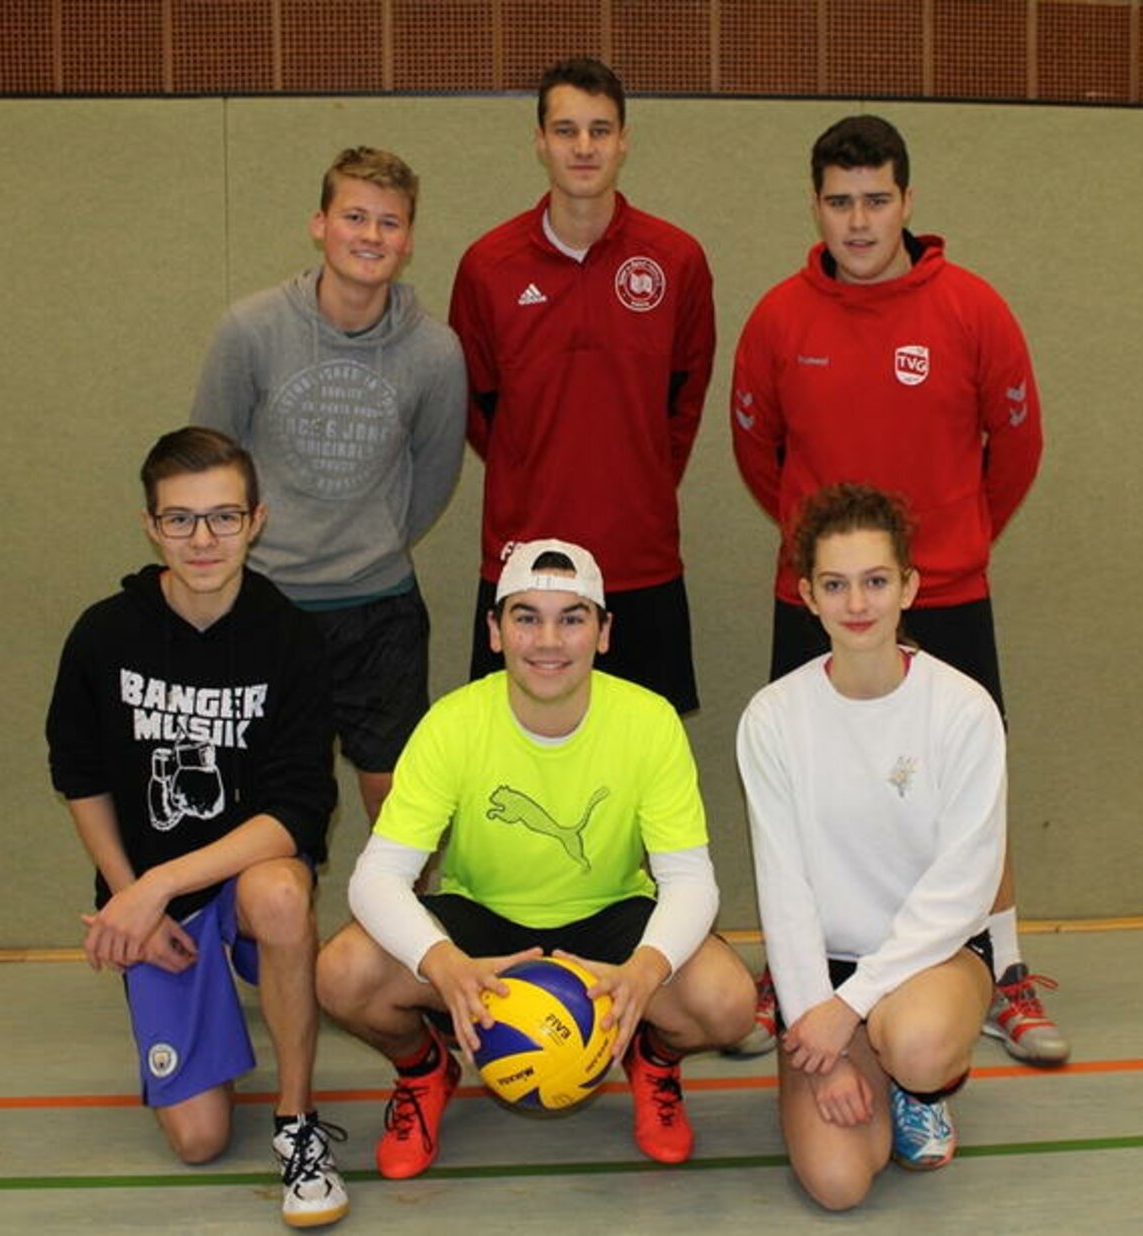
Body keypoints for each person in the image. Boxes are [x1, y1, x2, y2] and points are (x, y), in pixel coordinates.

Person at [729, 114, 1067, 1065]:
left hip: (948, 586)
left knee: (976, 795)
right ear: (817, 206)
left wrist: (951, 543)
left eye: (877, 198)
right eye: (840, 201)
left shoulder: (973, 309)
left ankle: (1000, 970)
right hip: (822, 600)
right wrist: (826, 565)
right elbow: (759, 453)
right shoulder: (779, 319)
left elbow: (1019, 446)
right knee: (801, 793)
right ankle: (795, 973)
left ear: (908, 201)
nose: (859, 220)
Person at [314, 539, 757, 1179]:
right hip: (482, 918)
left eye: (572, 618)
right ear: (494, 631)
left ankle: (652, 1062)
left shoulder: (649, 721)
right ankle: (423, 1071)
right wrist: (444, 965)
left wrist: (642, 973)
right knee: (342, 974)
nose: (548, 640)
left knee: (728, 1001)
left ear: (603, 633)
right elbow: (378, 877)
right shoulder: (453, 723)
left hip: (609, 917)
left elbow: (689, 881)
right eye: (526, 617)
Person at [46, 427, 347, 1228]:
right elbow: (78, 775)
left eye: (223, 517)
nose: (203, 540)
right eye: (180, 520)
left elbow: (296, 812)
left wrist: (157, 885)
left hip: (240, 882)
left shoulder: (292, 640)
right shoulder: (104, 634)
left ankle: (296, 1121)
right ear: (150, 526)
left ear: (257, 520)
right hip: (156, 900)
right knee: (200, 1140)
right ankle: (200, 1005)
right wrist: (129, 900)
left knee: (284, 896)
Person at [737, 483, 1005, 1208]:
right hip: (823, 976)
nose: (858, 604)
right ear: (808, 596)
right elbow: (784, 889)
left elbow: (964, 890)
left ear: (909, 587)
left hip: (933, 960)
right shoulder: (773, 718)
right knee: (838, 1184)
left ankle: (922, 1086)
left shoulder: (963, 710)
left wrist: (848, 1008)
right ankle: (852, 1066)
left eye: (876, 581)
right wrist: (819, 1037)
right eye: (836, 584)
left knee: (915, 1044)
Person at [192, 145, 467, 824]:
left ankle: (401, 932)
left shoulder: (436, 352)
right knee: (258, 794)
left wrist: (368, 541)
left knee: (401, 801)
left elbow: (434, 475)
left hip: (379, 611)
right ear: (320, 224)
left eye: (389, 223)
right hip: (262, 604)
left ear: (407, 241)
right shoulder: (250, 330)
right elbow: (208, 468)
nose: (370, 236)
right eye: (354, 216)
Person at [450, 57, 716, 714]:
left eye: (600, 130)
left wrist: (637, 476)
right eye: (566, 130)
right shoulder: (488, 266)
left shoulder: (676, 260)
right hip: (523, 564)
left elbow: (682, 407)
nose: (584, 147)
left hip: (640, 561)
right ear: (539, 141)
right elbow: (478, 410)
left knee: (642, 764)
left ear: (624, 139)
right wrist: (535, 468)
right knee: (511, 756)